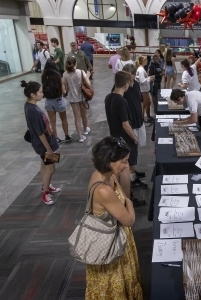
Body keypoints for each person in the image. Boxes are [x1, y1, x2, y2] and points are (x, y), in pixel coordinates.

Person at [86, 136, 143, 299]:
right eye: (123, 161)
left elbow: (123, 193)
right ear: (109, 160)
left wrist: (124, 175)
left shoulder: (106, 174)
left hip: (116, 236)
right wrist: (129, 203)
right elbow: (129, 220)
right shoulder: (103, 190)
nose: (127, 165)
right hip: (110, 246)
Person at [106, 71, 147, 206]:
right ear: (125, 85)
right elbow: (125, 124)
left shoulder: (108, 97)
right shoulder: (122, 101)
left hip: (114, 137)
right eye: (129, 83)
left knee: (117, 170)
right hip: (124, 140)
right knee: (125, 170)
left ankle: (118, 196)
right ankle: (127, 199)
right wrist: (134, 138)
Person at [21, 80, 60, 205]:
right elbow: (40, 133)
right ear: (33, 94)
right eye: (40, 92)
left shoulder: (29, 105)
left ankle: (46, 186)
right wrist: (48, 148)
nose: (43, 94)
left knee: (44, 166)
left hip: (43, 144)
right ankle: (45, 193)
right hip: (44, 145)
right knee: (51, 168)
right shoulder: (33, 111)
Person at [41, 60, 71, 144]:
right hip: (58, 100)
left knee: (52, 121)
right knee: (63, 119)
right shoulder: (58, 76)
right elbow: (63, 92)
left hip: (48, 101)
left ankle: (56, 138)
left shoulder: (44, 76)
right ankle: (67, 136)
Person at [63, 57, 91, 142]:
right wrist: (88, 76)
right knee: (84, 115)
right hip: (82, 96)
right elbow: (89, 85)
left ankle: (80, 136)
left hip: (72, 98)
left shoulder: (65, 74)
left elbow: (66, 89)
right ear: (76, 63)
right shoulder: (81, 72)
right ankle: (85, 129)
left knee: (77, 117)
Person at [135, 55, 155, 123]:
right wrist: (149, 78)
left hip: (145, 90)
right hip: (143, 90)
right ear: (143, 61)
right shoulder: (140, 70)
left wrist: (149, 78)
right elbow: (142, 81)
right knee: (144, 105)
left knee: (148, 103)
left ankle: (148, 117)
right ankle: (142, 118)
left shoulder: (142, 69)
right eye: (146, 60)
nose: (147, 61)